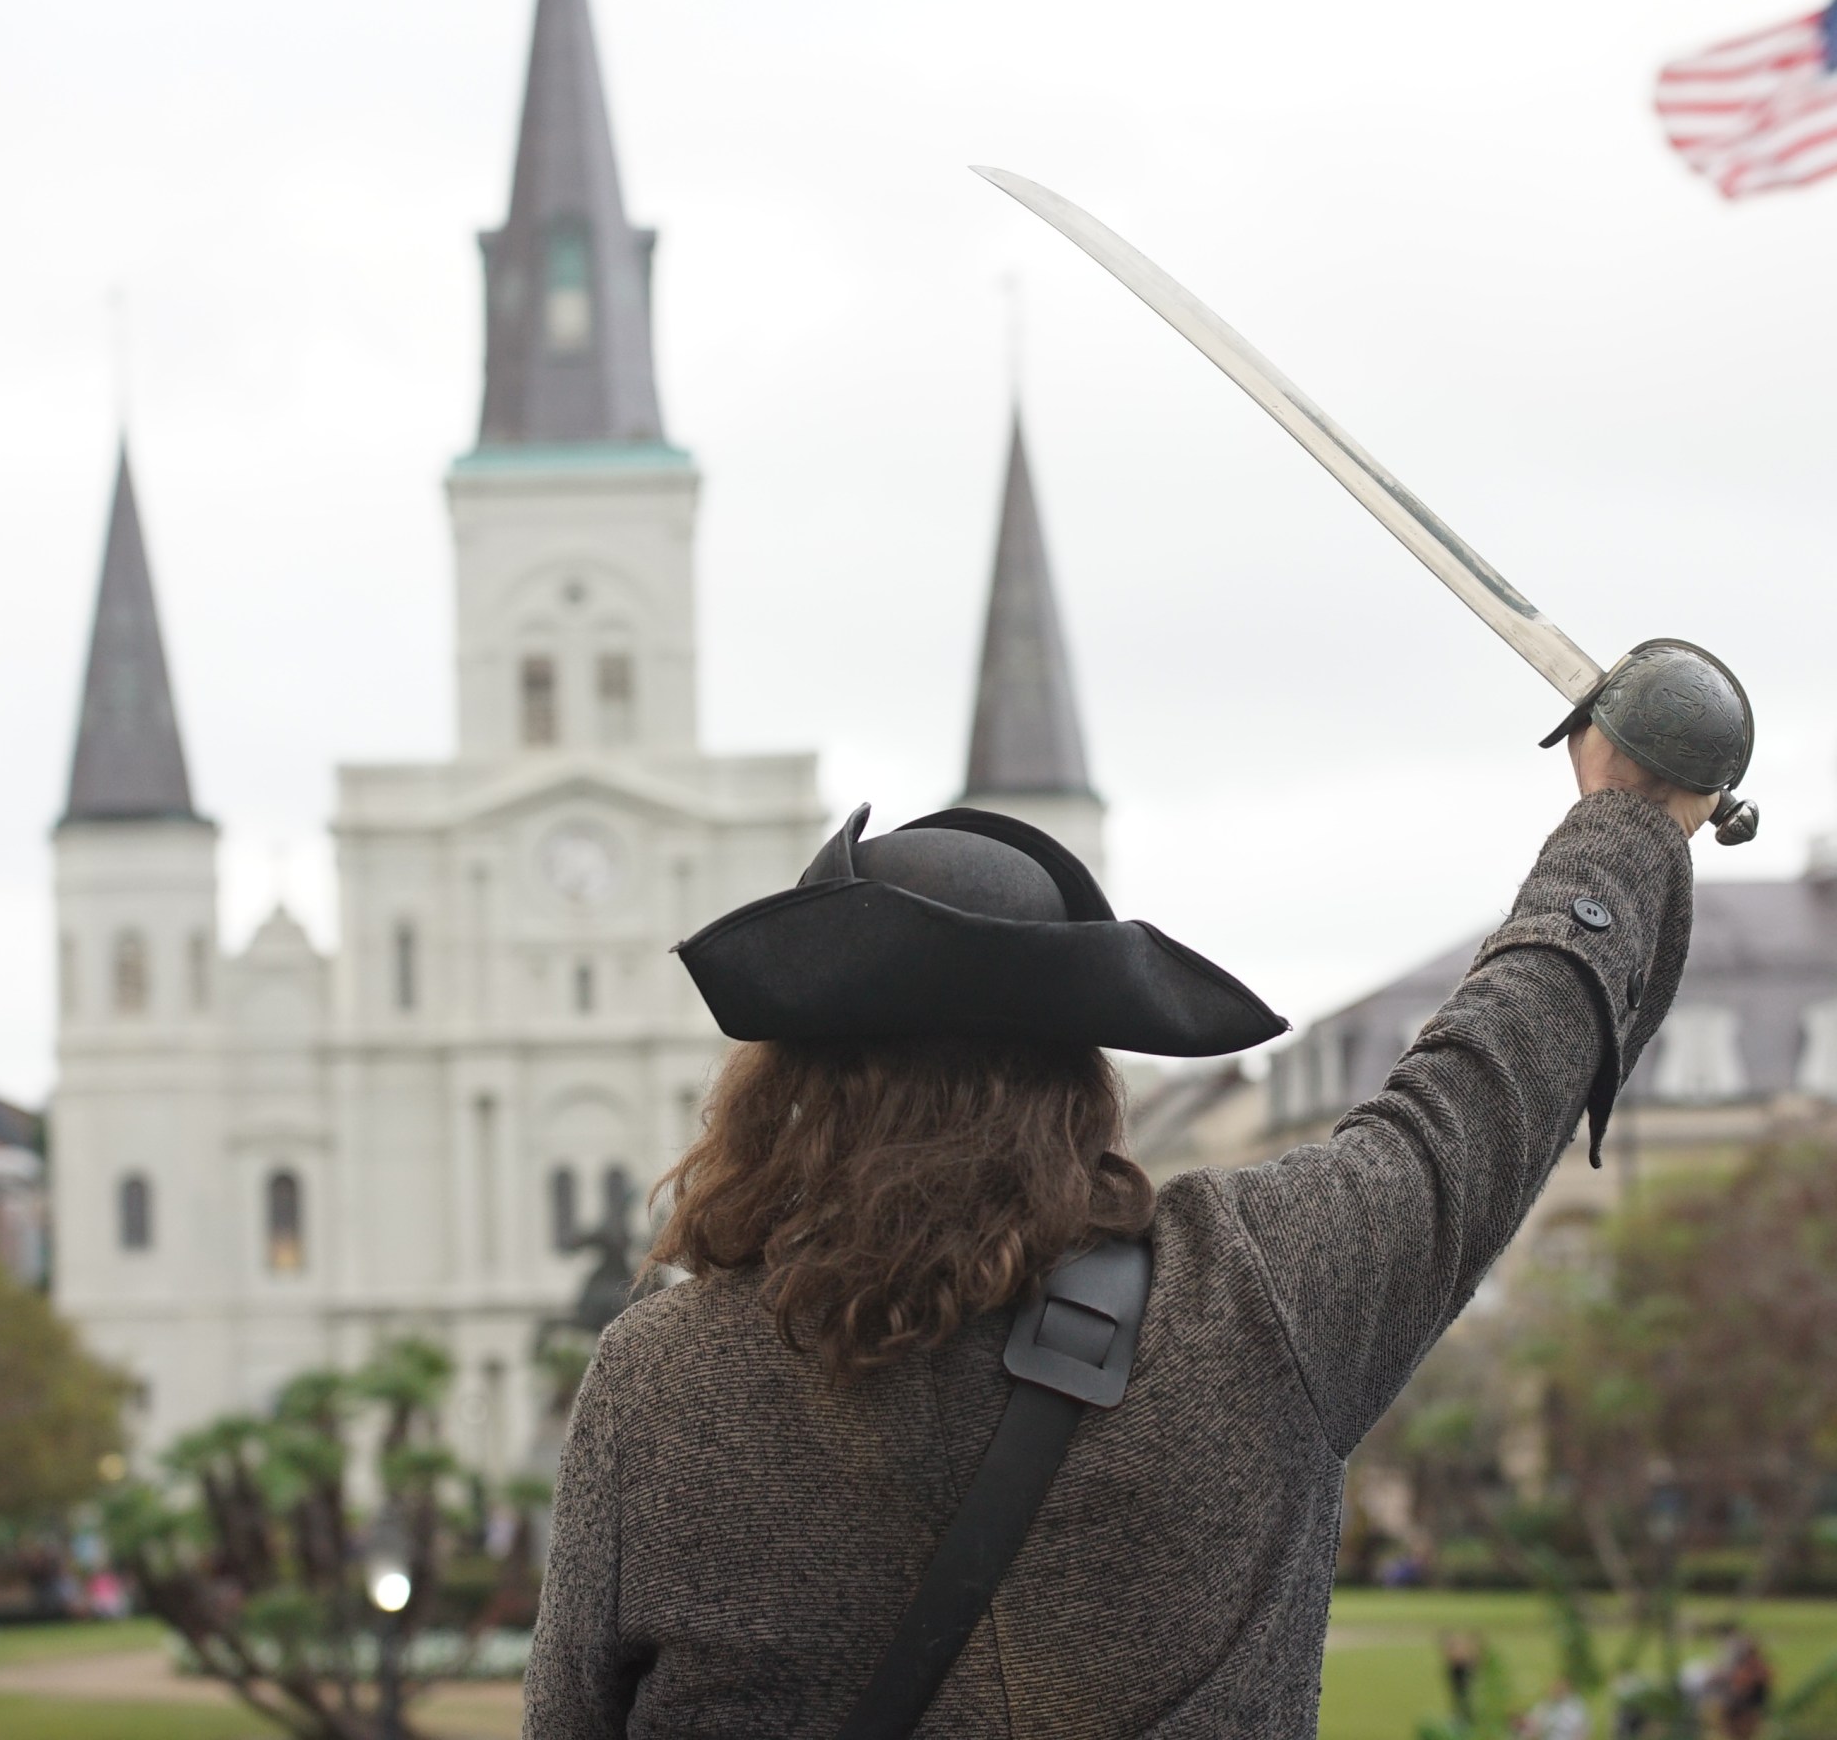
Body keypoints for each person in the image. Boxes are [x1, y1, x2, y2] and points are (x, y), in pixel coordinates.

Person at [524, 718, 1719, 1736]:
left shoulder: (659, 1382)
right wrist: (1627, 813)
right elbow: (1482, 1090)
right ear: (1077, 1079)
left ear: (785, 1082)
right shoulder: (1256, 1296)